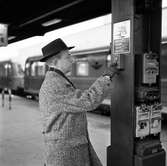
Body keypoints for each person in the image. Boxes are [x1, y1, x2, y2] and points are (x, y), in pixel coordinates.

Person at [39, 38, 118, 166]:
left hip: (71, 148)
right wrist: (106, 77)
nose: (73, 59)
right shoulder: (54, 84)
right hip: (66, 153)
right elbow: (87, 101)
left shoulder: (57, 79)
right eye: (68, 56)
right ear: (55, 61)